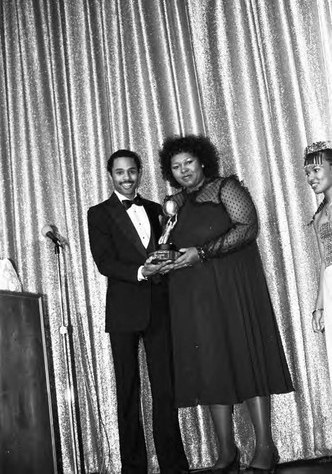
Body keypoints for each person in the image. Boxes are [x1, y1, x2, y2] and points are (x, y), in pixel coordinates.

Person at [158, 135, 294, 474]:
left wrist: (202, 253)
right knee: (210, 365)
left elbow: (248, 228)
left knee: (245, 358)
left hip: (233, 289)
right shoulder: (172, 205)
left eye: (188, 162)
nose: (183, 170)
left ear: (202, 161)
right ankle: (226, 452)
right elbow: (174, 246)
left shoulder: (224, 188)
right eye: (176, 166)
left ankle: (265, 448)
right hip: (193, 295)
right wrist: (165, 260)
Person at [87, 149, 189, 474]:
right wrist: (142, 272)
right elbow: (105, 262)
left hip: (159, 308)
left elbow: (168, 249)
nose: (127, 178)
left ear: (140, 172)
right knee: (128, 390)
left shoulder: (159, 209)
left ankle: (174, 466)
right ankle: (133, 468)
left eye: (132, 171)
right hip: (123, 311)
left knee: (165, 389)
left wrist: (168, 261)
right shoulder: (98, 214)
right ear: (111, 175)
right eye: (120, 173)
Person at [304, 141, 332, 384]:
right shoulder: (319, 216)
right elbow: (325, 262)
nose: (311, 177)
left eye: (316, 170)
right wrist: (319, 306)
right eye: (307, 173)